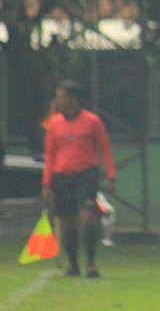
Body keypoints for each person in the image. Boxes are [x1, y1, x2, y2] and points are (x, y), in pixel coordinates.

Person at [41, 79, 117, 278]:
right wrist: (46, 183)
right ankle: (73, 265)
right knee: (68, 221)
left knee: (87, 216)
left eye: (61, 96)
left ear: (73, 99)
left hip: (86, 175)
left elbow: (105, 149)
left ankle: (91, 264)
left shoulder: (92, 121)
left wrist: (111, 176)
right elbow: (50, 155)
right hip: (62, 177)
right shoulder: (54, 123)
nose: (57, 100)